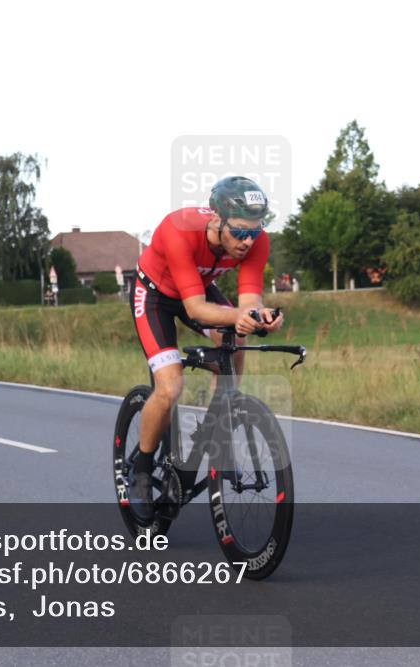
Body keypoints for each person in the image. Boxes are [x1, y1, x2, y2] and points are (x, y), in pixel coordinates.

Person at [128, 176, 283, 522]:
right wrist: (242, 315)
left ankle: (220, 416)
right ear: (216, 220)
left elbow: (248, 303)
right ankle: (139, 471)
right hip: (155, 296)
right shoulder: (179, 230)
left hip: (196, 289)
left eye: (254, 232)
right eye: (240, 232)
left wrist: (260, 317)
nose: (247, 241)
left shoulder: (257, 242)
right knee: (170, 386)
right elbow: (197, 309)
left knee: (236, 339)